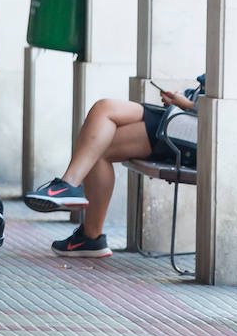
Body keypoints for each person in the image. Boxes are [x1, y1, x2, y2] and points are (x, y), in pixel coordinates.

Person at [22, 76, 206, 258]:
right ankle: (83, 222)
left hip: (191, 131)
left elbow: (226, 108)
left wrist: (188, 105)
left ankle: (76, 205)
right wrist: (183, 99)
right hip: (181, 117)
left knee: (98, 146)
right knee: (103, 111)